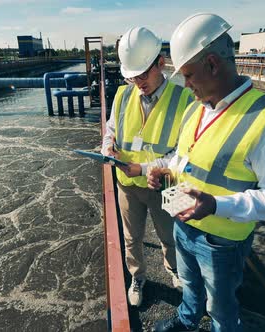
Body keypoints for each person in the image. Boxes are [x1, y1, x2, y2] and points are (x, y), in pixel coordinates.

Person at [150, 13, 265, 332]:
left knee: (221, 305)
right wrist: (160, 168)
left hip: (221, 241)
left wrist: (216, 205)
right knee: (189, 286)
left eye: (188, 75)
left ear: (213, 64)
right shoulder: (195, 108)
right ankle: (188, 319)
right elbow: (183, 156)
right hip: (183, 222)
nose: (185, 85)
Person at [101, 26, 193, 307]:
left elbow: (183, 154)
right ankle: (137, 277)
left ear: (160, 63)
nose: (138, 81)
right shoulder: (122, 95)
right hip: (127, 183)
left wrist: (142, 169)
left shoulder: (185, 99)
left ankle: (174, 269)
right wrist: (107, 146)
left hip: (168, 182)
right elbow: (111, 129)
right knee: (132, 237)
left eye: (143, 74)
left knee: (172, 234)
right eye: (132, 76)